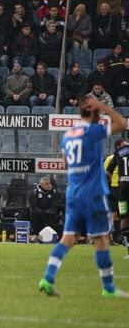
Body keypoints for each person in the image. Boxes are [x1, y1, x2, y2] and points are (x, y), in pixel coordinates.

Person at [39, 96, 128, 298]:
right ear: (94, 112)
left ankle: (48, 278)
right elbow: (122, 123)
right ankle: (109, 289)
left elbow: (66, 163)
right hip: (93, 195)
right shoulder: (92, 130)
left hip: (74, 193)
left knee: (68, 238)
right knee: (101, 240)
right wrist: (105, 106)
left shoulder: (69, 134)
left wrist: (89, 169)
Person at [28, 177, 61, 241]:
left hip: (49, 211)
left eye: (49, 183)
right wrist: (39, 211)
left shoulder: (54, 192)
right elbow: (33, 205)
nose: (49, 185)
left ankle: (50, 235)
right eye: (47, 184)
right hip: (38, 211)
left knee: (52, 214)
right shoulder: (35, 192)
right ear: (41, 185)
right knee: (33, 213)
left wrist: (48, 211)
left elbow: (54, 205)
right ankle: (34, 235)